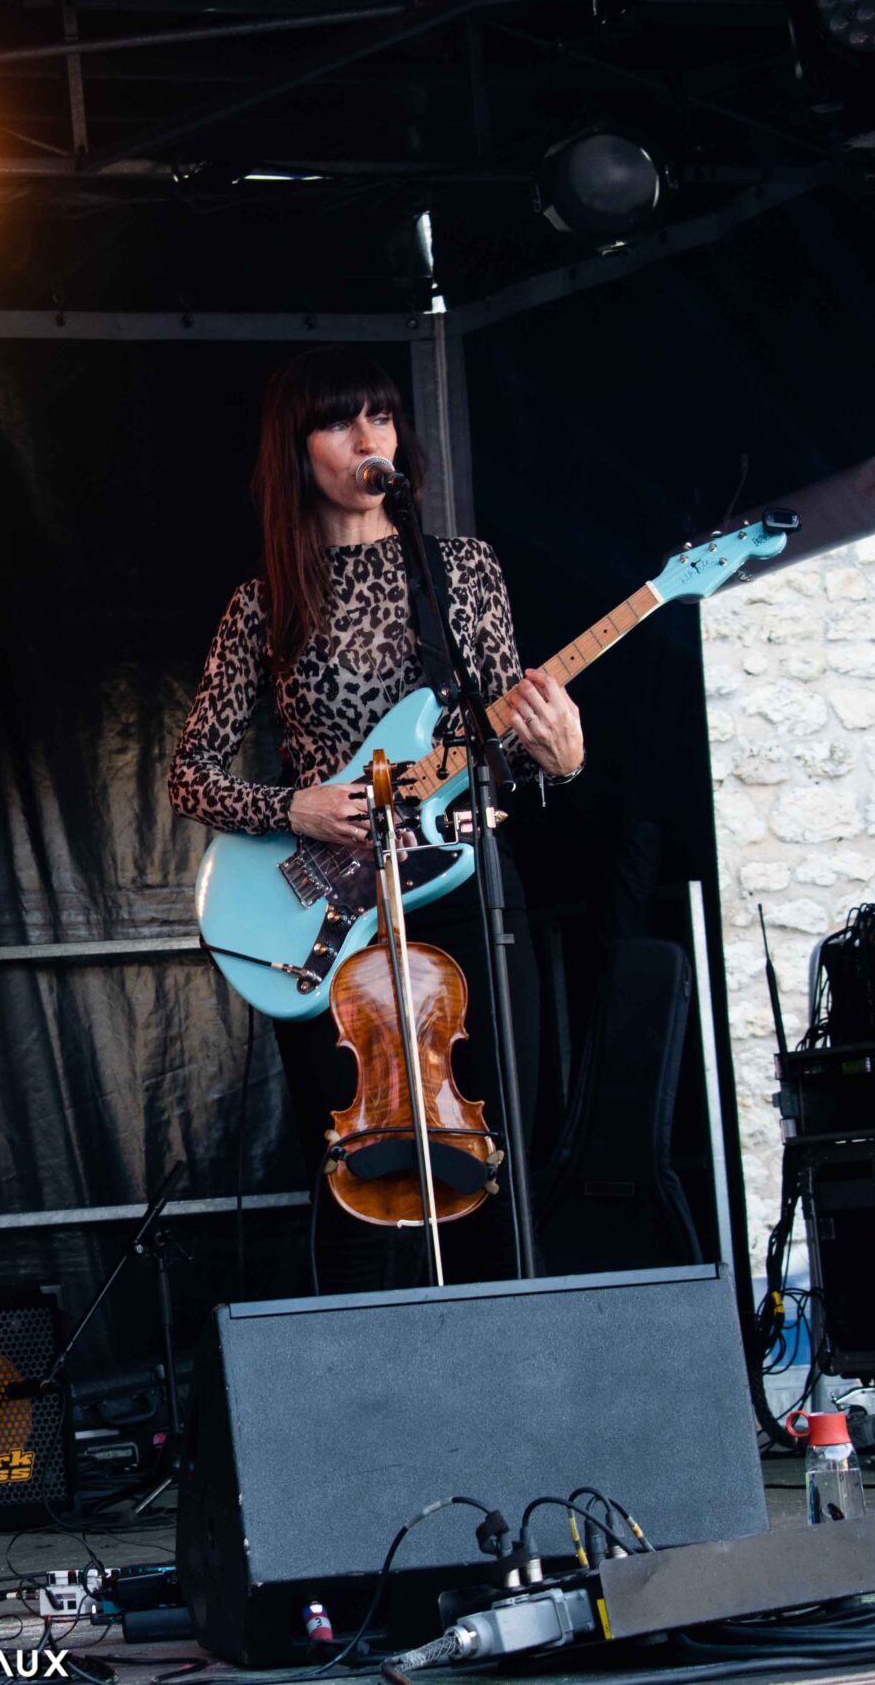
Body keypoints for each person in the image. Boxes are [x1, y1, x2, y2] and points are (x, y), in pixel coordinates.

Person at [169, 345, 583, 1291]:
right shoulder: (265, 600)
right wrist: (296, 806)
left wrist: (561, 756)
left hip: (463, 884)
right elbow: (190, 778)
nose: (368, 437)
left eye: (382, 416)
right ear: (296, 448)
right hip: (332, 911)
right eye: (339, 420)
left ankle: (508, 1363)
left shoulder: (461, 571)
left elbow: (506, 746)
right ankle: (360, 1374)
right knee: (360, 1171)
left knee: (491, 1155)